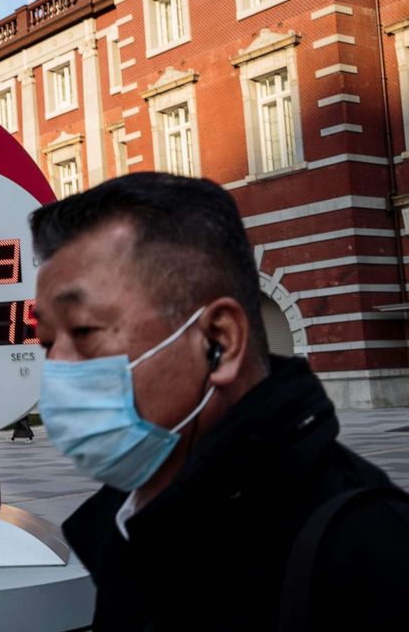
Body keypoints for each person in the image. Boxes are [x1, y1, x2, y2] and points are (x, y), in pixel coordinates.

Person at [30, 172, 409, 631]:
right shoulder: (121, 524)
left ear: (219, 340)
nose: (58, 366)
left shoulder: (369, 550)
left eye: (85, 331)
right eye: (47, 340)